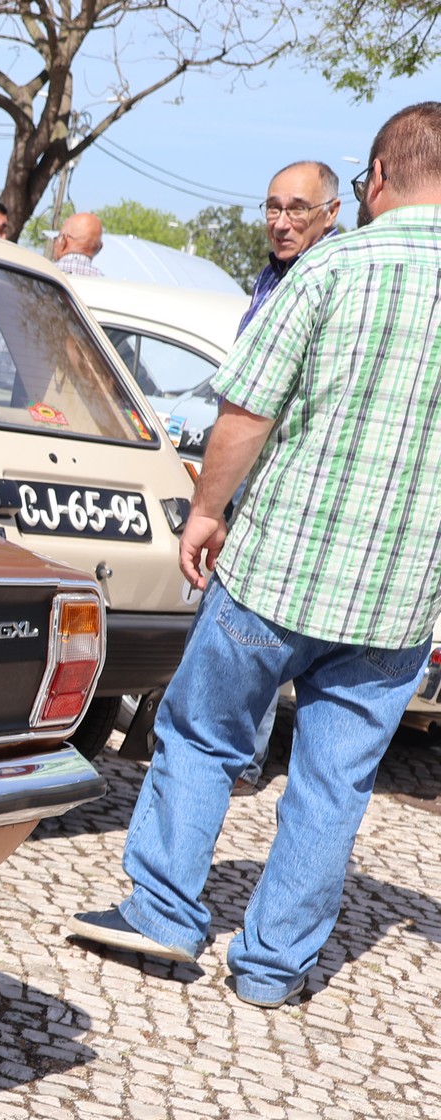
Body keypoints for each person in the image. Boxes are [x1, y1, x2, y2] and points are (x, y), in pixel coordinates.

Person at [65, 102, 441, 1008]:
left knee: (202, 734)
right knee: (335, 783)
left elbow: (247, 409)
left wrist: (205, 511)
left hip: (279, 569)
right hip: (398, 600)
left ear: (376, 180)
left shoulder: (335, 268)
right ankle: (274, 967)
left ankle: (163, 913)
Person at [230, 160, 343, 796]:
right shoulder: (273, 274)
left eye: (297, 208)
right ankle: (234, 754)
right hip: (251, 468)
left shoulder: (328, 275)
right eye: (273, 207)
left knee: (263, 619)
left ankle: (240, 760)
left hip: (297, 483)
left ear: (330, 213)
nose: (281, 221)